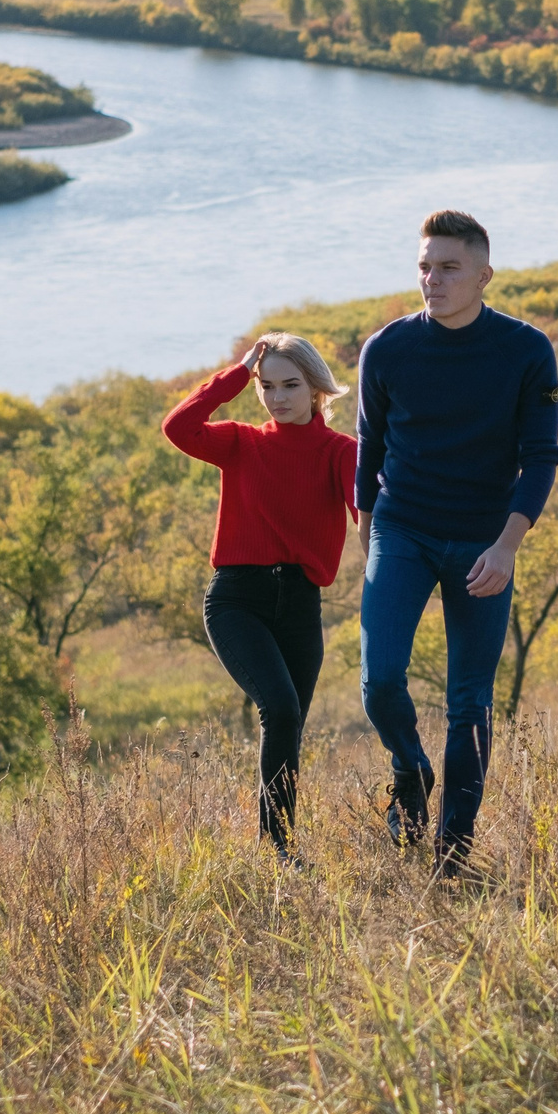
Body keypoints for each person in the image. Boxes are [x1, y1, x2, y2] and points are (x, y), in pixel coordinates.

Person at [356, 208, 558, 874]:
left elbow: (541, 457)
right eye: (424, 267)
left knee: (469, 702)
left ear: (483, 275)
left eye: (448, 268)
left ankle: (453, 853)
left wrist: (507, 546)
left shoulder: (526, 350)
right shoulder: (387, 349)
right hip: (403, 529)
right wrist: (367, 534)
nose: (432, 280)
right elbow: (369, 446)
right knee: (379, 680)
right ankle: (410, 768)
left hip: (483, 540)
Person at [161, 332, 358, 862]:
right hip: (237, 600)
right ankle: (277, 850)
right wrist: (235, 372)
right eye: (266, 386)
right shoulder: (240, 442)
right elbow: (178, 427)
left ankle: (282, 848)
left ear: (315, 388)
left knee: (289, 724)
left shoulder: (341, 452)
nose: (277, 398)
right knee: (281, 708)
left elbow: (368, 511)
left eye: (290, 385)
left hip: (301, 606)